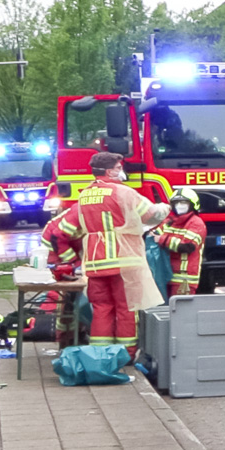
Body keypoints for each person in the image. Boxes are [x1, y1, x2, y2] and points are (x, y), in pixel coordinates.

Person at [60, 152, 168, 359]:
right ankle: (125, 354)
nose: (122, 171)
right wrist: (165, 207)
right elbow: (151, 215)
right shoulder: (123, 192)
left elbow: (76, 228)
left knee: (101, 308)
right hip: (123, 261)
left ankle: (101, 354)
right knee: (126, 308)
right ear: (109, 171)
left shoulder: (84, 195)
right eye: (119, 168)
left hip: (94, 263)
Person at [38, 202, 84, 347]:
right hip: (54, 245)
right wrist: (74, 262)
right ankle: (63, 337)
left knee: (75, 291)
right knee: (64, 292)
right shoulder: (78, 214)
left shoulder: (91, 210)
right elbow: (57, 238)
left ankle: (77, 332)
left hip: (69, 243)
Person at [151, 187, 207, 295]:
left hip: (184, 280)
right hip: (165, 276)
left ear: (192, 204)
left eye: (184, 203)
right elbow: (153, 235)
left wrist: (162, 239)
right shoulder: (169, 222)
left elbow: (188, 247)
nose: (180, 206)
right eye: (176, 203)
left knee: (180, 306)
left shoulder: (196, 223)